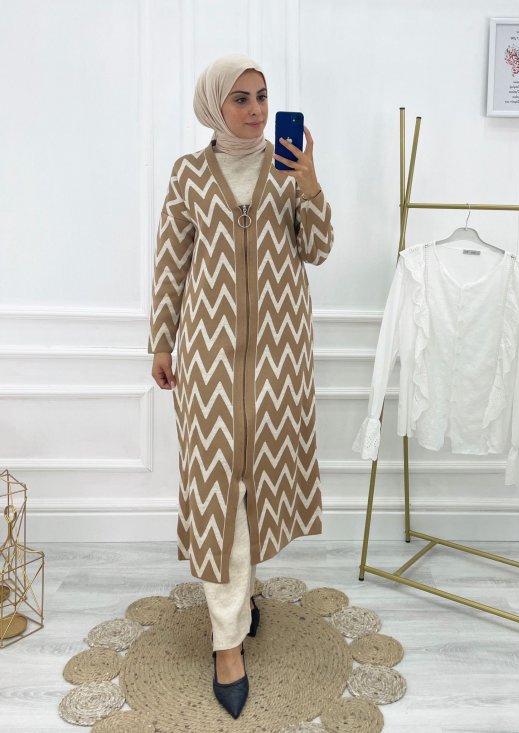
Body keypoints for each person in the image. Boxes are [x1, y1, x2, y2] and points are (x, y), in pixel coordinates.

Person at [147, 53, 334, 718]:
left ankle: (241, 596)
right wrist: (161, 339)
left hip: (280, 360)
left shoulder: (286, 169)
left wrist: (309, 184)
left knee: (258, 487)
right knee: (218, 492)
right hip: (210, 363)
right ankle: (227, 643)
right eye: (241, 98)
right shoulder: (189, 174)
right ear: (214, 106)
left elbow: (316, 250)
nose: (256, 110)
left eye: (262, 96)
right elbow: (171, 262)